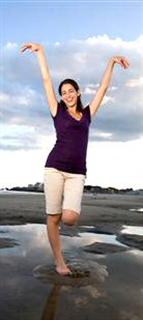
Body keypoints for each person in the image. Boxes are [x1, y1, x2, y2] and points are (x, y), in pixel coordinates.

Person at [20, 43, 130, 275]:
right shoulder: (57, 111)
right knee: (53, 218)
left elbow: (103, 88)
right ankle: (60, 262)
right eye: (64, 92)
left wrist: (111, 62)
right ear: (61, 97)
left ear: (78, 93)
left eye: (71, 90)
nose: (67, 94)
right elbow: (46, 80)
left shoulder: (88, 114)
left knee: (69, 218)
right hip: (54, 168)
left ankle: (58, 212)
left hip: (77, 172)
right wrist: (41, 52)